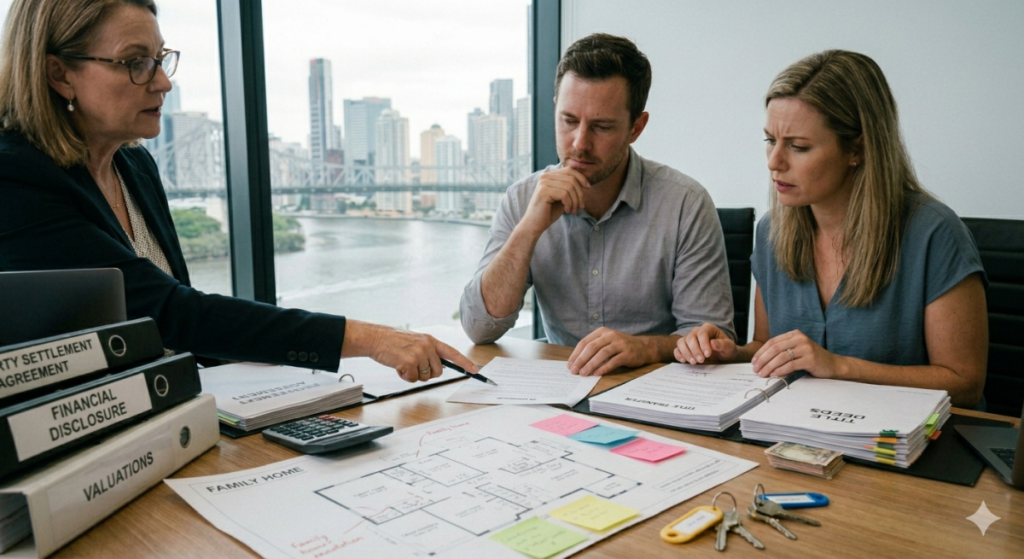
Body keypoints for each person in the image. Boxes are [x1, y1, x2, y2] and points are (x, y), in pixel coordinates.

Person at [0, 0, 478, 383]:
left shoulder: (133, 164)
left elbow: (182, 320)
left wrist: (274, 361)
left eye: (161, 59)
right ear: (59, 73)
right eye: (136, 63)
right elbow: (171, 314)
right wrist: (371, 339)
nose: (163, 81)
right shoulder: (15, 178)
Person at [675, 50, 988, 408]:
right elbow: (766, 346)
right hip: (804, 433)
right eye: (769, 140)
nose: (774, 162)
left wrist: (837, 366)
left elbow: (964, 383)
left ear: (858, 148)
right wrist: (730, 355)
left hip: (906, 447)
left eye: (798, 146)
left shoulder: (935, 234)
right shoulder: (771, 232)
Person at [460, 33, 735, 377]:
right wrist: (529, 229)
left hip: (654, 391)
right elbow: (478, 328)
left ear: (636, 127)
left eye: (602, 127)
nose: (580, 143)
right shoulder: (522, 198)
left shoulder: (685, 204)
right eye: (569, 121)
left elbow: (713, 342)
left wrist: (644, 347)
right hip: (560, 392)